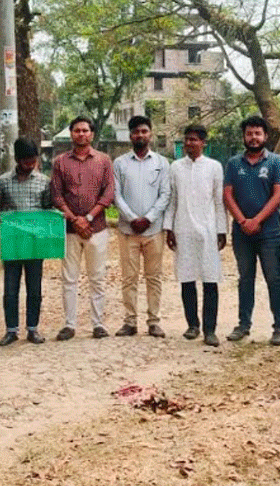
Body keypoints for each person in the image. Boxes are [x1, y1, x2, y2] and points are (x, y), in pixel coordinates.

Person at [223, 115, 280, 345]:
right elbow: (227, 195)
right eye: (249, 133)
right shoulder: (234, 163)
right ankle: (243, 325)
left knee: (274, 278)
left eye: (257, 133)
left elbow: (278, 194)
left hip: (269, 232)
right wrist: (243, 221)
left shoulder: (276, 162)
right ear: (244, 136)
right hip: (242, 233)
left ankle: (279, 328)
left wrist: (257, 220)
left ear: (265, 136)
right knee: (245, 279)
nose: (253, 137)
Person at [50, 116, 115, 340]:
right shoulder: (60, 162)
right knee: (69, 278)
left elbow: (108, 193)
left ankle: (98, 324)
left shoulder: (104, 160)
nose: (81, 134)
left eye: (85, 130)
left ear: (92, 134)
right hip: (70, 230)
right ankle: (69, 325)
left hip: (97, 228)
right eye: (77, 130)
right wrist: (74, 220)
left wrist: (87, 217)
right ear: (71, 134)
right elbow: (56, 195)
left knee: (97, 278)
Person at [163, 125, 227, 346]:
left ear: (203, 143)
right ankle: (192, 325)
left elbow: (219, 201)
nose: (189, 143)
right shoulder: (175, 168)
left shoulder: (214, 167)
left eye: (194, 140)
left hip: (208, 230)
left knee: (210, 279)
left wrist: (221, 230)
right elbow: (172, 200)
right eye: (187, 139)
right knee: (187, 278)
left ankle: (210, 330)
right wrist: (169, 228)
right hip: (183, 229)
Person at [113, 115, 171, 338]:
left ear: (151, 134)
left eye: (144, 131)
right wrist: (132, 218)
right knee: (129, 278)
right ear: (130, 136)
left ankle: (154, 321)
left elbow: (165, 194)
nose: (140, 135)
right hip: (128, 231)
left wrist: (148, 218)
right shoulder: (120, 163)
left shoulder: (162, 163)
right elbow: (116, 195)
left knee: (154, 277)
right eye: (136, 132)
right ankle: (130, 321)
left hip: (153, 230)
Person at [0, 138, 52, 346]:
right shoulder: (3, 181)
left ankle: (33, 329)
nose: (30, 165)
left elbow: (48, 208)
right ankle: (11, 330)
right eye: (26, 161)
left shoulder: (44, 181)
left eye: (33, 161)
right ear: (17, 159)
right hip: (12, 241)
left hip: (35, 241)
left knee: (34, 287)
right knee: (10, 288)